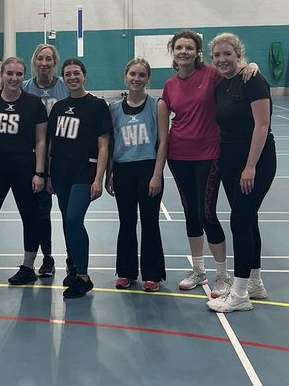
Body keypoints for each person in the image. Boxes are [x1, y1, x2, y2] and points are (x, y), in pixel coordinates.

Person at [158, 30, 255, 298]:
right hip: (178, 155)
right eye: (179, 48)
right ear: (173, 51)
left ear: (198, 52)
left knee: (206, 213)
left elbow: (234, 70)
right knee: (190, 213)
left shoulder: (211, 74)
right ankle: (198, 270)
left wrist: (251, 65)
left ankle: (222, 275)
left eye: (189, 48)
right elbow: (165, 121)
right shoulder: (169, 85)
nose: (184, 52)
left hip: (208, 155)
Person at [206, 34, 276, 313]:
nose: (222, 60)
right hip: (229, 161)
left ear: (238, 54)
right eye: (217, 56)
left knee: (239, 221)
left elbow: (262, 126)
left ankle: (239, 293)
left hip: (255, 162)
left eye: (227, 54)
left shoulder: (253, 80)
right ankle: (256, 282)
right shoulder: (221, 84)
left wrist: (250, 166)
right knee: (249, 220)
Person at [46, 58, 112, 300]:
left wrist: (99, 179)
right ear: (63, 78)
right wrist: (49, 174)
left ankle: (83, 277)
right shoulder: (59, 107)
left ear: (84, 76)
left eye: (76, 73)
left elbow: (103, 145)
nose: (72, 77)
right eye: (68, 74)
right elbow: (52, 144)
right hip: (61, 173)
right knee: (66, 222)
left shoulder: (97, 106)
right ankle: (74, 266)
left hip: (85, 172)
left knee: (74, 219)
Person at [0, 56, 48, 286]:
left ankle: (28, 266)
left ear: (23, 76)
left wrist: (39, 173)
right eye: (9, 73)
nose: (14, 78)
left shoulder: (34, 103)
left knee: (30, 218)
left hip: (24, 167)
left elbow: (41, 141)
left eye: (19, 74)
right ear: (1, 75)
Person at [106, 58, 167, 291]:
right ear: (125, 76)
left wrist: (157, 174)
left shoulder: (157, 106)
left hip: (148, 168)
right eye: (133, 74)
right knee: (127, 222)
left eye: (142, 75)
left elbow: (163, 142)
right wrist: (109, 174)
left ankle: (153, 274)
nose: (137, 78)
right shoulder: (114, 109)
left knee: (150, 222)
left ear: (148, 79)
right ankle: (126, 272)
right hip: (123, 170)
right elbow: (111, 144)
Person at [22, 43, 68, 278]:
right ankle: (47, 257)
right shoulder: (24, 88)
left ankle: (73, 258)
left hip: (62, 156)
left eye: (48, 59)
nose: (44, 63)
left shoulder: (64, 87)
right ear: (34, 62)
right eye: (40, 58)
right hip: (35, 157)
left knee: (69, 211)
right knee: (41, 211)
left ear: (54, 63)